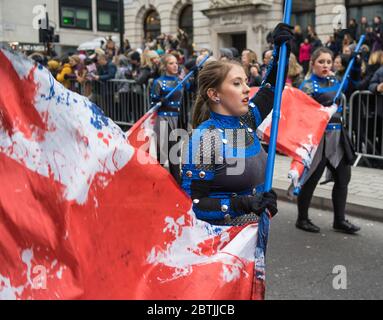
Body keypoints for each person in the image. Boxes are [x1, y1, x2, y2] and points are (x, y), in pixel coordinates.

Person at [179, 23, 293, 225]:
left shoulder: (246, 122)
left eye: (246, 81)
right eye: (237, 83)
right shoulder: (205, 138)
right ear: (214, 94)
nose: (247, 89)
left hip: (254, 237)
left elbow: (272, 89)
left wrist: (281, 48)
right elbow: (194, 205)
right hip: (221, 246)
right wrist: (243, 204)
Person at [296, 47, 361, 234]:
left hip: (338, 137)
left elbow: (355, 84)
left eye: (328, 62)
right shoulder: (307, 85)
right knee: (311, 179)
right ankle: (302, 218)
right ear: (313, 63)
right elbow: (302, 113)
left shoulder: (335, 80)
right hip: (319, 138)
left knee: (343, 178)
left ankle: (339, 220)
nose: (325, 65)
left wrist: (355, 62)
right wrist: (322, 110)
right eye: (321, 62)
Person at [150, 54, 192, 182]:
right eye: (171, 63)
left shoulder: (181, 81)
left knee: (167, 154)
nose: (175, 66)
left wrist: (193, 72)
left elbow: (192, 88)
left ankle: (159, 182)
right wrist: (159, 100)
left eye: (176, 63)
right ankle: (175, 185)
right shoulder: (157, 82)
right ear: (164, 66)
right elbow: (152, 103)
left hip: (177, 120)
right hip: (163, 119)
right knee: (169, 154)